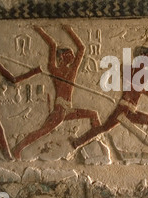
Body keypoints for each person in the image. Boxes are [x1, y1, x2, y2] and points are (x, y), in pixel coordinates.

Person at [69, 46, 148, 153]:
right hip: (125, 109)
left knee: (104, 128)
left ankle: (78, 142)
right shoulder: (138, 70)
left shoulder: (133, 69)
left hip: (127, 109)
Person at [12, 25, 101, 159]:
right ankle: (18, 149)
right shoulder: (55, 70)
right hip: (60, 110)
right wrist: (41, 30)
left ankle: (94, 139)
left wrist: (69, 30)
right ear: (63, 57)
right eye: (69, 54)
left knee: (94, 115)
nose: (72, 55)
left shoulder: (70, 71)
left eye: (71, 54)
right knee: (42, 132)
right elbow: (53, 45)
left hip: (66, 109)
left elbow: (81, 49)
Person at [0, 43, 42, 160]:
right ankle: (7, 156)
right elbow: (14, 80)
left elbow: (13, 80)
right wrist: (33, 72)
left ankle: (7, 156)